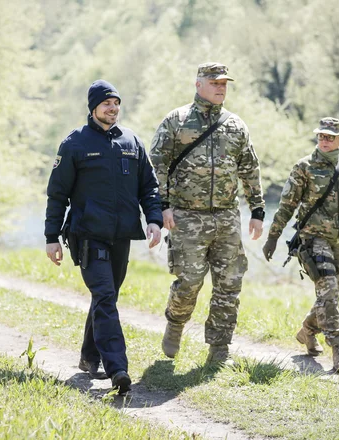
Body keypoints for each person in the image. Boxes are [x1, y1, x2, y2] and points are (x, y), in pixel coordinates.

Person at [44, 79, 163, 394]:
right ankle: (118, 368)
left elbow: (149, 188)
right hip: (87, 236)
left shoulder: (132, 142)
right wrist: (51, 236)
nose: (113, 108)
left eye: (116, 103)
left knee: (105, 296)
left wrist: (153, 220)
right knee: (106, 296)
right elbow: (57, 194)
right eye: (107, 103)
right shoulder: (75, 144)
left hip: (121, 236)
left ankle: (88, 357)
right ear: (93, 107)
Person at [149, 62, 265, 365]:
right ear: (198, 84)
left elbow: (249, 168)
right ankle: (175, 324)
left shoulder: (236, 125)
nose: (221, 88)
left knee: (229, 284)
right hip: (187, 216)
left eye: (224, 83)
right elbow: (156, 166)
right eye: (215, 82)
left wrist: (257, 210)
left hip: (227, 217)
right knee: (189, 282)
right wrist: (162, 207)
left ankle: (219, 347)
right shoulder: (177, 121)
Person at [262, 117, 339, 372]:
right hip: (314, 239)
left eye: (329, 137)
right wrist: (273, 236)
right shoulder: (304, 166)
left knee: (334, 293)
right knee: (327, 290)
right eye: (321, 136)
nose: (324, 140)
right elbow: (287, 205)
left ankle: (307, 330)